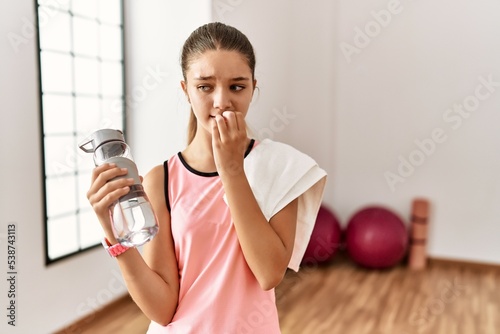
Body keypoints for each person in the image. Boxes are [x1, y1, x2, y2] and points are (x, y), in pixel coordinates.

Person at [87, 22, 326, 333]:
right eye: (205, 86)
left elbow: (269, 273)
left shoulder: (280, 166)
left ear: (253, 89)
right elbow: (162, 310)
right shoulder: (161, 179)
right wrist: (115, 235)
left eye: (236, 86)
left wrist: (231, 170)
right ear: (186, 90)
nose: (221, 101)